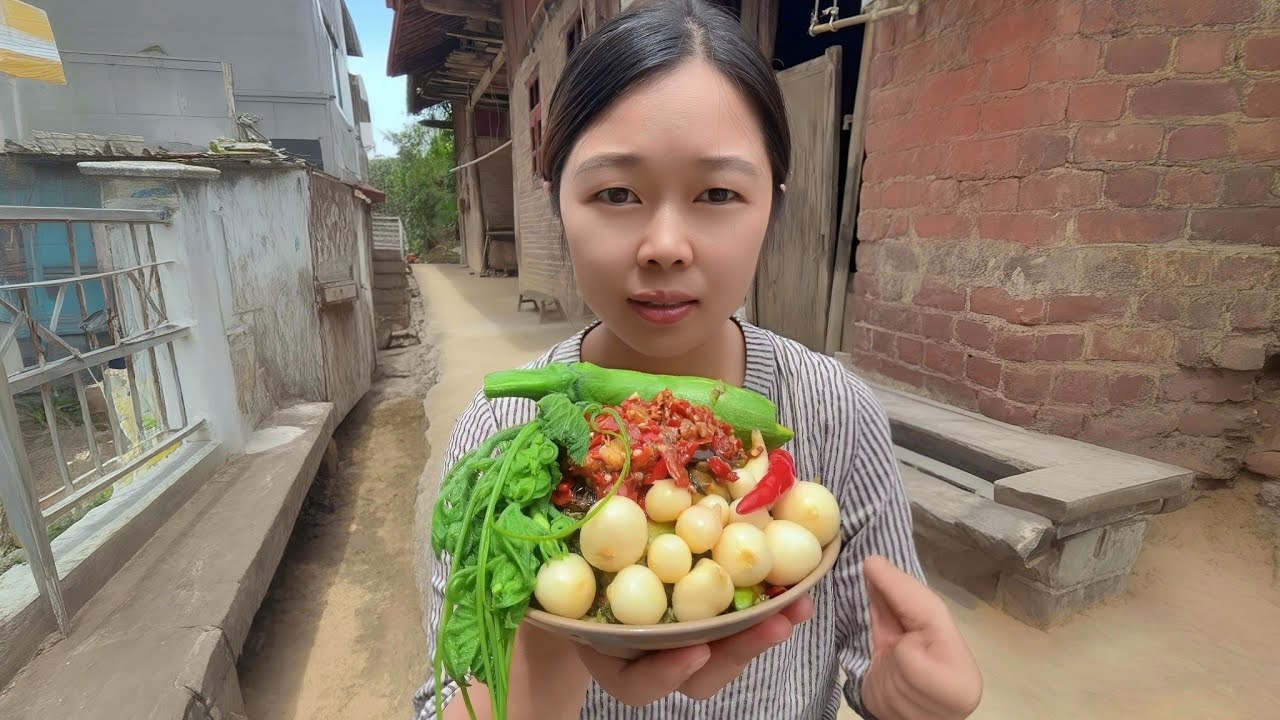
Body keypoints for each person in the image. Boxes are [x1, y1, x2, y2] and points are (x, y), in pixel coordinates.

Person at [413, 1, 982, 718]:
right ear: (557, 200)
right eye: (616, 192)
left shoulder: (831, 409)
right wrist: (546, 645)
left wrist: (893, 695)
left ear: (771, 208)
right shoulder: (507, 433)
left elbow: (880, 645)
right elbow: (445, 698)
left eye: (717, 193)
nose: (665, 245)